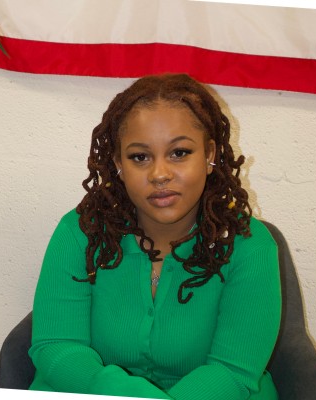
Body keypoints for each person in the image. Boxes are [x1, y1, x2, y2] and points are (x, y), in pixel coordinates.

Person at [28, 73, 281, 399]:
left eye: (179, 153)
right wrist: (110, 389)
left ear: (210, 155)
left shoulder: (250, 247)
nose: (160, 174)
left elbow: (233, 372)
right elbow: (56, 344)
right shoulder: (80, 233)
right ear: (119, 163)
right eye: (140, 157)